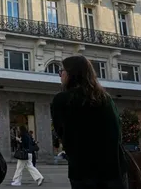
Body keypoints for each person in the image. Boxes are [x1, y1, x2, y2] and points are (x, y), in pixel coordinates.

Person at [52, 55, 126, 189]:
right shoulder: (105, 98)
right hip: (112, 171)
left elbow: (63, 135)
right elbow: (117, 131)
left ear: (71, 74)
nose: (60, 75)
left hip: (83, 171)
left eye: (61, 71)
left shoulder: (62, 100)